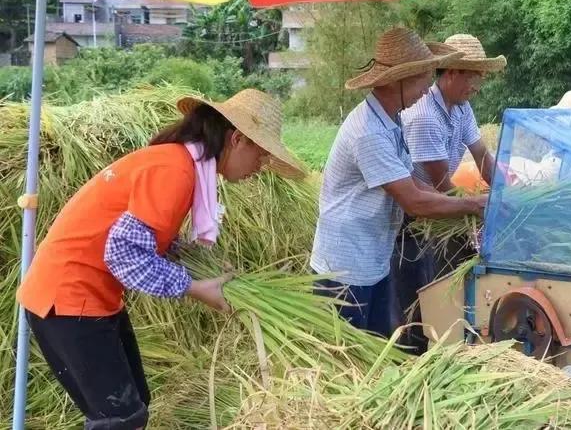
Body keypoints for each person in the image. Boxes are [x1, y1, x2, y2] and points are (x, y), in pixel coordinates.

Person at [16, 89, 303, 430]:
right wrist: (196, 288)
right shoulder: (175, 171)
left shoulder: (178, 163)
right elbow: (124, 253)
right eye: (262, 154)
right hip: (67, 299)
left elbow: (150, 236)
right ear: (238, 139)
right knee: (120, 419)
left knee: (135, 406)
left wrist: (197, 261)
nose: (261, 166)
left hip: (86, 296)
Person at [310, 27, 488, 340]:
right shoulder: (370, 132)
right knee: (346, 361)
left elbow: (416, 188)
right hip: (344, 268)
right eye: (421, 77)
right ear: (397, 80)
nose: (426, 87)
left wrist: (469, 204)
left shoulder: (391, 121)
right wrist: (472, 204)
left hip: (373, 257)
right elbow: (414, 201)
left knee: (378, 347)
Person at [394, 34, 506, 352]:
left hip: (442, 205)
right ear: (453, 72)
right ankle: (416, 350)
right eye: (474, 78)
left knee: (448, 273)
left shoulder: (461, 108)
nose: (477, 87)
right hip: (417, 217)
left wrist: (506, 194)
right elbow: (442, 184)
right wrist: (477, 207)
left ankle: (453, 336)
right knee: (420, 288)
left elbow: (483, 156)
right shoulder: (425, 116)